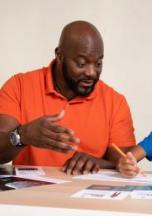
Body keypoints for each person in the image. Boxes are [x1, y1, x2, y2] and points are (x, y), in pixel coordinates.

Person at [0, 21, 136, 175]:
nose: (91, 72)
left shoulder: (115, 102)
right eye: (81, 63)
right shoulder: (19, 86)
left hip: (89, 196)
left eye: (98, 63)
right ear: (60, 56)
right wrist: (22, 135)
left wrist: (97, 162)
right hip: (30, 196)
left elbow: (124, 162)